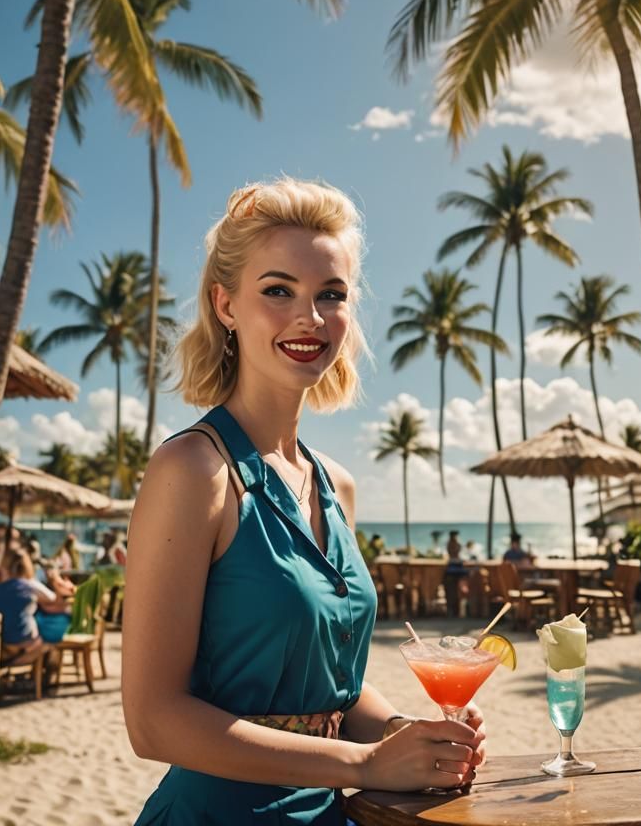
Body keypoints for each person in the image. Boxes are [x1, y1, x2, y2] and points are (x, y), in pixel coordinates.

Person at [123, 179, 484, 825]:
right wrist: (366, 766)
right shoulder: (193, 470)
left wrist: (407, 733)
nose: (309, 318)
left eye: (331, 295)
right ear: (225, 304)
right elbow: (154, 723)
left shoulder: (335, 484)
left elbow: (330, 695)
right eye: (278, 290)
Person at [0, 549, 58, 655]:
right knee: (50, 629)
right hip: (28, 641)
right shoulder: (30, 585)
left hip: (3, 641)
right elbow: (53, 598)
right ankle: (40, 670)